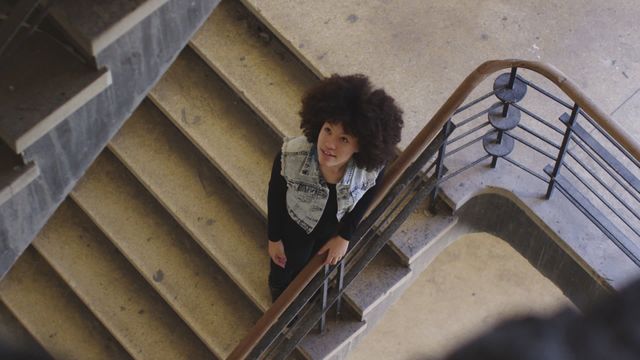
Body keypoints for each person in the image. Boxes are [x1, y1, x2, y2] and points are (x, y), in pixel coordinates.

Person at [267, 74, 404, 302]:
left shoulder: (369, 170)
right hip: (295, 224)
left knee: (316, 268)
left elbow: (368, 194)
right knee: (288, 265)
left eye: (344, 139)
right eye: (328, 130)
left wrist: (345, 236)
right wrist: (273, 239)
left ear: (360, 145)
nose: (329, 144)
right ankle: (278, 291)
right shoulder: (290, 155)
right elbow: (275, 196)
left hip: (330, 229)